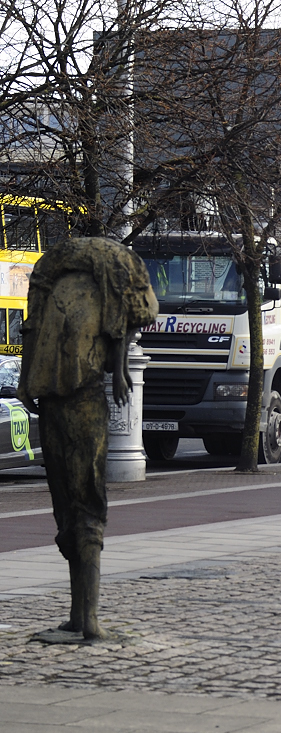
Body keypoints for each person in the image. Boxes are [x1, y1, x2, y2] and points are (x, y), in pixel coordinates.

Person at [18, 238, 159, 639]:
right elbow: (124, 327)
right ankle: (83, 617)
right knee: (80, 508)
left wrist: (118, 368)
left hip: (64, 405)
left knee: (74, 508)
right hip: (74, 405)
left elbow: (35, 335)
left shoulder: (62, 291)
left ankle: (86, 617)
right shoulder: (94, 291)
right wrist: (120, 368)